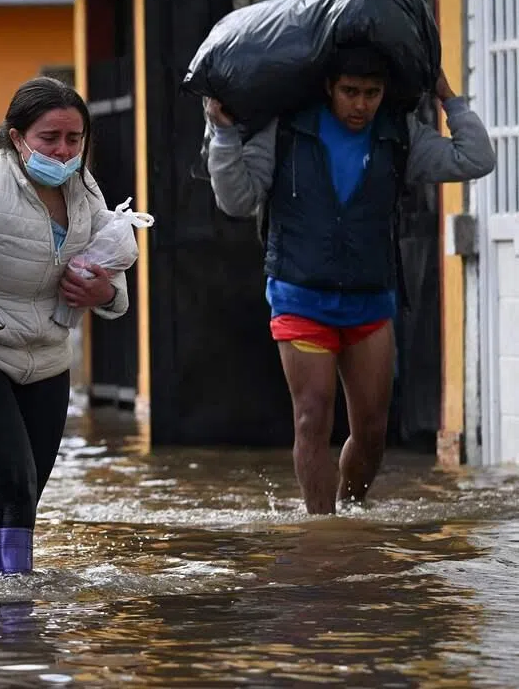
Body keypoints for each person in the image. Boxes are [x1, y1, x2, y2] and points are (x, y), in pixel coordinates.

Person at [205, 46, 495, 514]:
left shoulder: (397, 134)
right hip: (300, 297)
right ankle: (323, 531)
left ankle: (350, 512)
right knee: (312, 417)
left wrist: (447, 96)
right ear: (328, 88)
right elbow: (237, 200)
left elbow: (476, 159)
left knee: (373, 432)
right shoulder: (287, 129)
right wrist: (221, 132)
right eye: (350, 92)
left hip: (369, 301)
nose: (361, 105)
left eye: (372, 94)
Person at [0, 77, 130, 578]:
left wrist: (104, 294)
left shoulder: (84, 188)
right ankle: (13, 608)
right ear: (17, 137)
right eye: (49, 138)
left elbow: (111, 263)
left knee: (26, 490)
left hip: (46, 358)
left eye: (74, 139)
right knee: (13, 479)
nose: (63, 150)